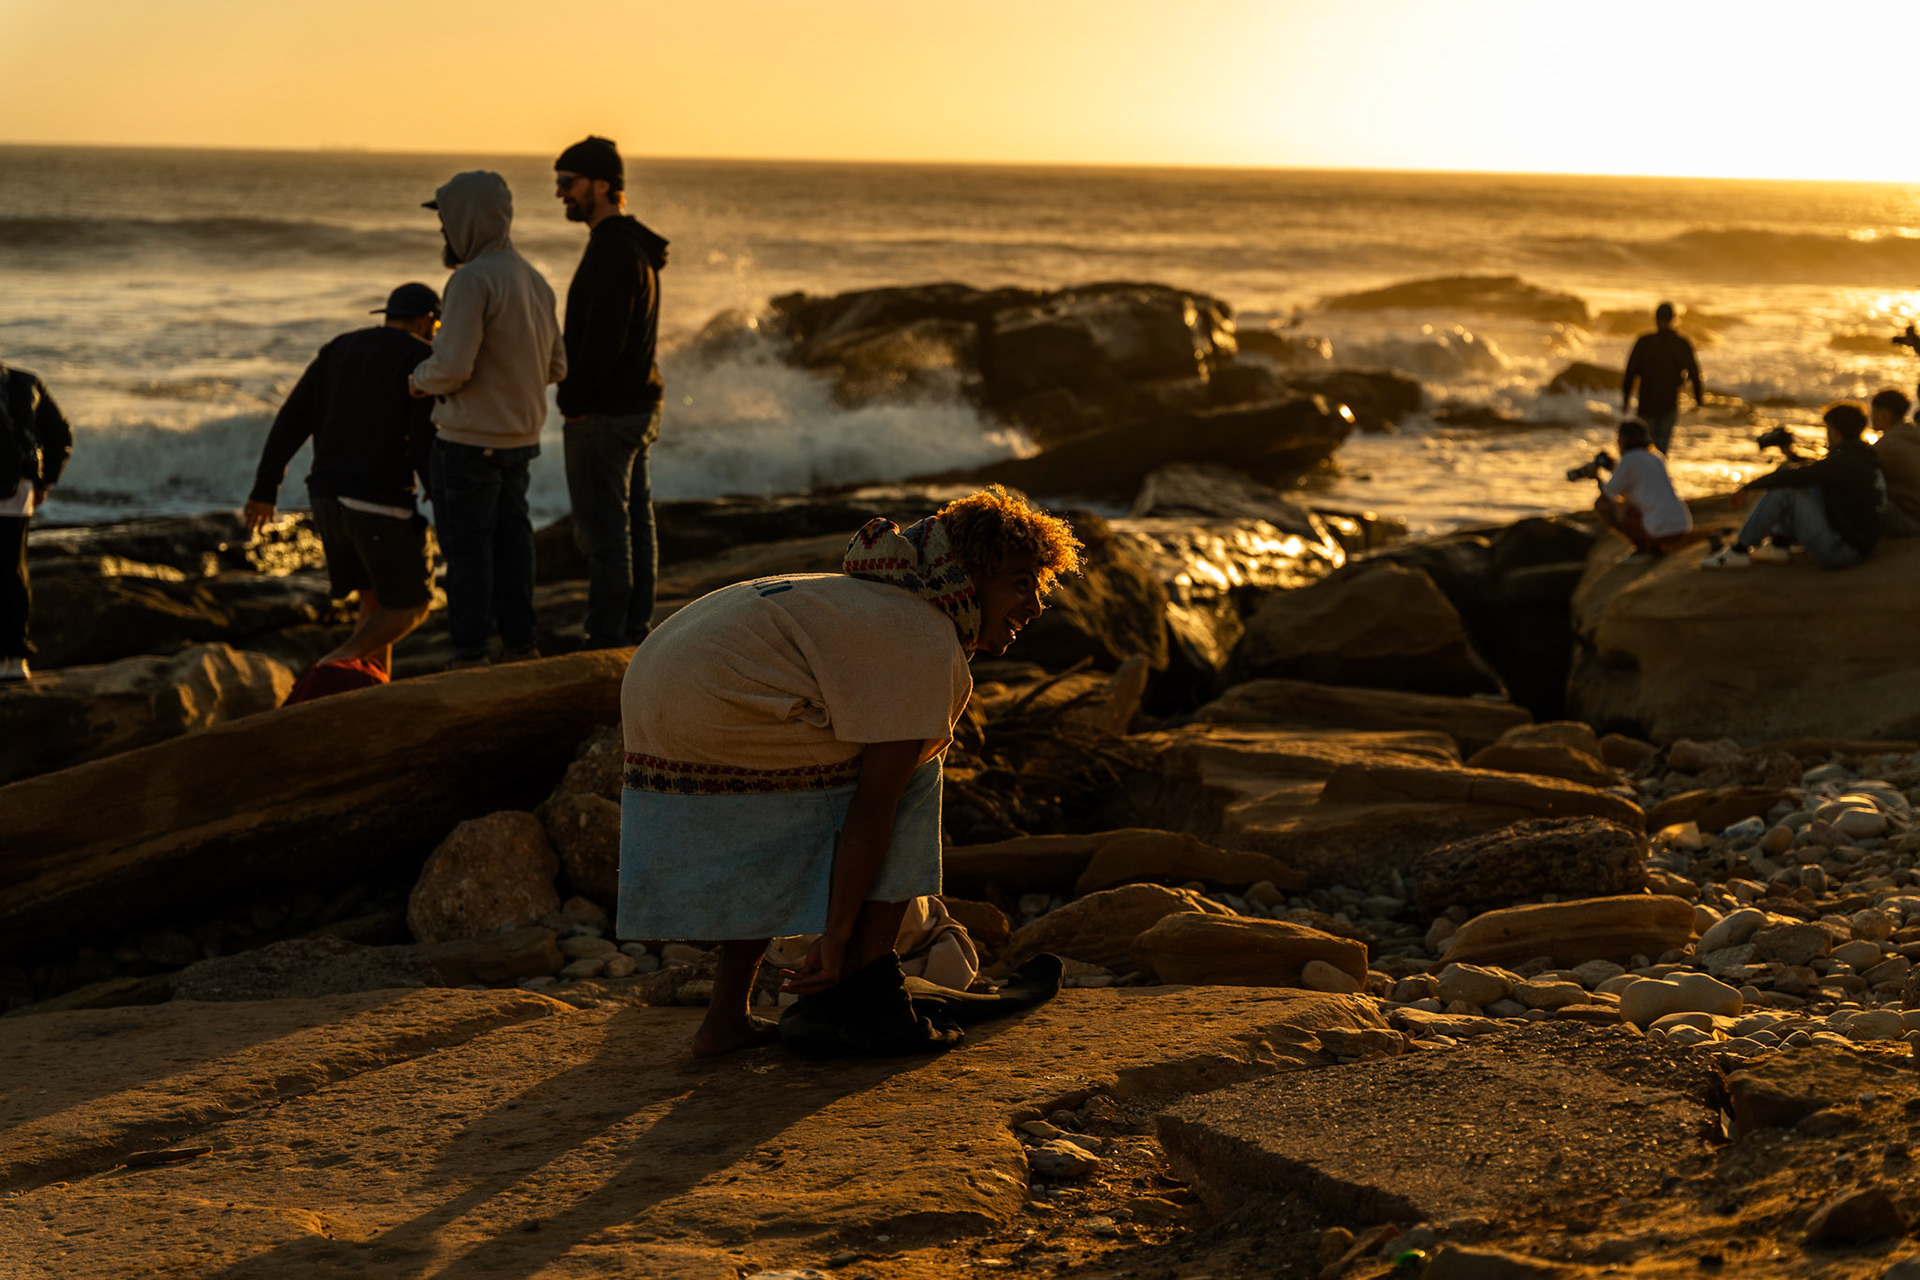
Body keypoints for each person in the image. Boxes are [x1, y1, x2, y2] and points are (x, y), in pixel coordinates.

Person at [618, 486, 1082, 1057]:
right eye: (1019, 582)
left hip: (655, 694)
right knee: (911, 777)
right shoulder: (925, 637)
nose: (1035, 605)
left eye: (1040, 586)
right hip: (717, 701)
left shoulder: (867, 601)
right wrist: (836, 936)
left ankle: (725, 1022)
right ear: (964, 576)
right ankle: (869, 988)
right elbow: (871, 812)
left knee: (790, 811)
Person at [246, 283, 441, 688]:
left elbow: (292, 417)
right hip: (378, 502)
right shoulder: (420, 357)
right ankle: (332, 664)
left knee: (374, 601)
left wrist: (265, 488)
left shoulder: (338, 348)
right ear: (427, 320)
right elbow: (421, 432)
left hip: (325, 498)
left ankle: (372, 687)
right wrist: (434, 484)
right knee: (413, 605)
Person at [409, 171, 567, 669]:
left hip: (467, 440)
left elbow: (451, 368)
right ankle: (521, 644)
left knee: (468, 552)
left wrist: (418, 378)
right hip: (520, 438)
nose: (444, 234)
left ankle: (470, 654)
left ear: (466, 220)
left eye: (446, 223)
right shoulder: (535, 280)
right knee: (514, 546)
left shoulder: (470, 280)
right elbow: (557, 367)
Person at [554, 136, 671, 650]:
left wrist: (572, 402)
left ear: (603, 185)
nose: (561, 193)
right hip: (638, 405)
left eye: (569, 183)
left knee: (605, 535)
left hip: (606, 414)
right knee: (634, 529)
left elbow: (604, 339)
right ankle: (633, 632)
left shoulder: (611, 251)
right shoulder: (632, 246)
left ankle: (606, 639)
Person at [1704, 401, 1885, 569]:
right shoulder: (1861, 457)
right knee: (1798, 482)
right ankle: (1779, 546)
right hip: (1857, 545)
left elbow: (1799, 475)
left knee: (1785, 490)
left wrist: (1748, 487)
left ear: (1836, 432)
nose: (1827, 435)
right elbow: (1815, 470)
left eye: (1828, 430)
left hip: (1841, 552)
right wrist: (1791, 454)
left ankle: (1739, 551)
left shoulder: (1844, 461)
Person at [0, 363, 73, 683]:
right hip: (20, 488)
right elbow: (61, 432)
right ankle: (15, 659)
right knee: (14, 569)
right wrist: (46, 481)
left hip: (13, 487)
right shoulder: (25, 381)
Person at [1591, 418, 1695, 559]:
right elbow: (1635, 478)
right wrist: (1612, 467)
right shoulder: (1656, 457)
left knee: (1602, 505)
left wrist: (1595, 476)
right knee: (1631, 504)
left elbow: (1608, 494)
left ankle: (1642, 549)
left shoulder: (1629, 459)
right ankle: (1651, 546)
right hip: (1682, 525)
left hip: (1661, 532)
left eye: (1618, 438)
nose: (1617, 443)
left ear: (1624, 439)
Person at [1622, 302, 1704, 454]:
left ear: (1655, 319)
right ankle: (1659, 476)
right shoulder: (1681, 344)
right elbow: (1694, 373)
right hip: (1669, 404)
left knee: (1645, 449)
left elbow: (1630, 373)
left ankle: (1648, 477)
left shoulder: (1644, 342)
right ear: (1673, 319)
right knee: (1661, 451)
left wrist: (1626, 399)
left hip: (1646, 405)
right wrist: (1699, 399)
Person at [1870, 387, 1920, 537]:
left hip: (1914, 520)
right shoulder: (1912, 432)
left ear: (1883, 414)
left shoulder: (1888, 445)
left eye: (1873, 412)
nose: (1870, 416)